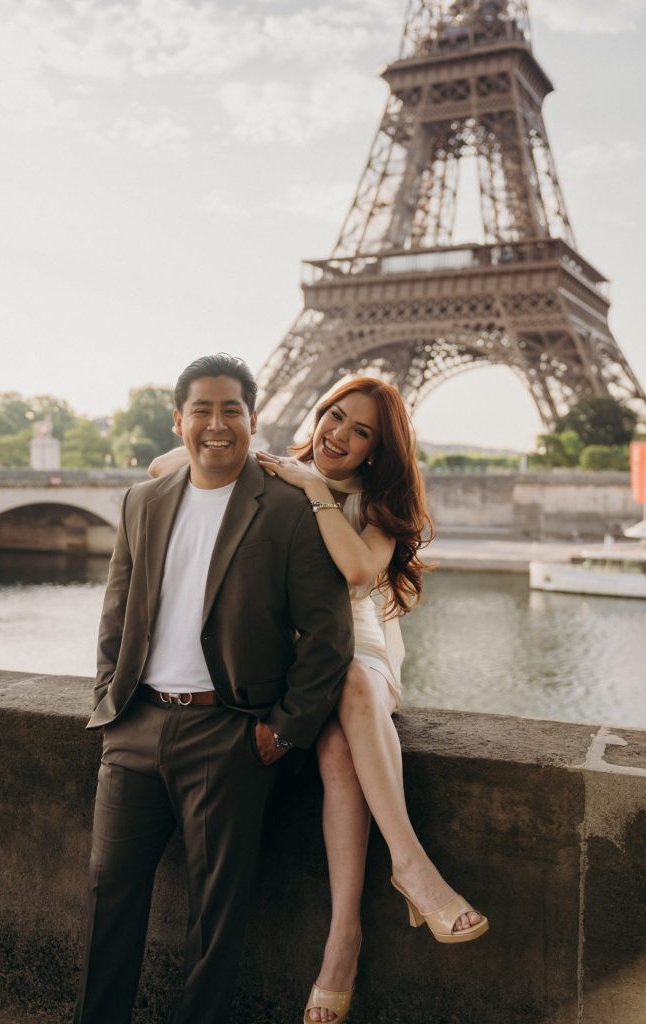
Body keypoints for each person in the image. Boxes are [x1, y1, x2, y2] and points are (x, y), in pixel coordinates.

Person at [150, 376, 489, 1024]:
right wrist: (247, 450)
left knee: (354, 683)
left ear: (376, 449)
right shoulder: (271, 470)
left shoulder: (376, 505)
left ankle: (396, 880)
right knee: (334, 752)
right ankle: (352, 934)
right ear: (319, 413)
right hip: (296, 664)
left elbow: (359, 571)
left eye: (361, 432)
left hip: (361, 653)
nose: (339, 435)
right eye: (335, 416)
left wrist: (312, 490)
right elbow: (163, 466)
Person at [74, 353, 354, 1024]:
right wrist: (108, 698)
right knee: (108, 897)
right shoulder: (142, 501)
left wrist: (282, 729)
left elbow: (328, 637)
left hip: (227, 734)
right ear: (179, 421)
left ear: (253, 420)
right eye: (201, 410)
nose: (217, 424)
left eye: (232, 410)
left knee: (215, 921)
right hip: (135, 727)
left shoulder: (288, 509)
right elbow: (117, 611)